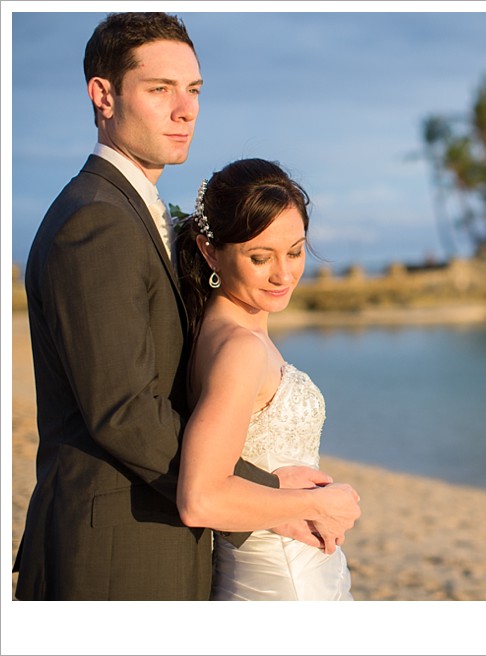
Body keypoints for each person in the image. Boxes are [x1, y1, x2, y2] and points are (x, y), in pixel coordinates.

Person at [15, 12, 358, 601]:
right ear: (103, 95)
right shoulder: (95, 219)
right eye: (160, 89)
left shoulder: (134, 212)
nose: (186, 109)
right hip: (116, 551)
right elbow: (123, 410)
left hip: (160, 539)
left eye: (193, 90)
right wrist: (270, 496)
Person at [174, 157, 360, 601]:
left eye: (295, 251)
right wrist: (317, 503)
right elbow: (200, 498)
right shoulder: (238, 348)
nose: (284, 274)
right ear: (209, 251)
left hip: (290, 568)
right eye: (260, 257)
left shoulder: (233, 330)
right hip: (280, 582)